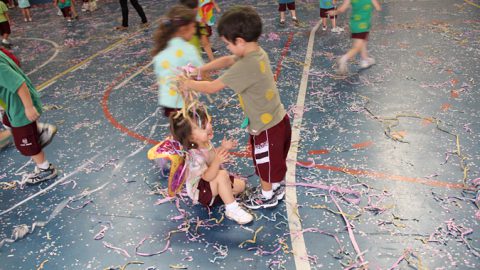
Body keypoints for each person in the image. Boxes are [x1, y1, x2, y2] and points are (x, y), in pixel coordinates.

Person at [182, 6, 291, 210]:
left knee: (264, 162)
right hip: (277, 120)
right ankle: (275, 187)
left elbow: (213, 87)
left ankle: (267, 196)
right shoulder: (255, 53)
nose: (228, 49)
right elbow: (226, 61)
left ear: (239, 41)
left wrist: (188, 84)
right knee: (273, 160)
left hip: (265, 126)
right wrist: (201, 69)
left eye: (228, 44)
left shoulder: (245, 66)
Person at [170, 106, 253, 224]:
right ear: (192, 138)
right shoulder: (194, 156)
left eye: (207, 122)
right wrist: (217, 162)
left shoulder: (204, 143)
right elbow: (207, 177)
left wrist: (223, 148)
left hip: (211, 181)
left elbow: (212, 157)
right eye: (203, 127)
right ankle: (232, 209)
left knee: (241, 186)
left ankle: (221, 193)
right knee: (222, 174)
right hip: (200, 190)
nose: (209, 126)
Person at [0, 50, 58, 184]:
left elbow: (19, 84)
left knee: (27, 144)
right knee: (7, 122)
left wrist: (28, 107)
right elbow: (14, 60)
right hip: (13, 103)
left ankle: (45, 169)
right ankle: (40, 130)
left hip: (20, 106)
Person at [152, 5, 203, 117]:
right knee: (191, 131)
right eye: (194, 27)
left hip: (167, 102)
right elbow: (200, 72)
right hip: (185, 102)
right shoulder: (189, 49)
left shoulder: (160, 51)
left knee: (177, 129)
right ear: (183, 29)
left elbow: (161, 76)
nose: (195, 31)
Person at [328, 0, 381, 74]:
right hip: (363, 24)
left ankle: (365, 59)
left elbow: (342, 9)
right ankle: (343, 59)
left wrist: (334, 12)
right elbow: (378, 7)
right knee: (356, 48)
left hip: (354, 24)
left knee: (363, 41)